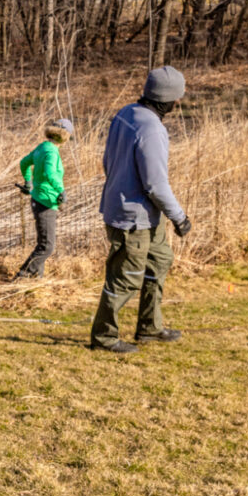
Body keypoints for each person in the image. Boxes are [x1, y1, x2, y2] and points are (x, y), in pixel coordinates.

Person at [89, 67, 191, 353]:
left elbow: (107, 160)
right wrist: (179, 217)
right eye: (177, 98)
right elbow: (156, 185)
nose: (178, 103)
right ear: (168, 99)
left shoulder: (126, 113)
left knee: (160, 259)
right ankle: (104, 337)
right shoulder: (152, 130)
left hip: (145, 214)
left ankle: (149, 327)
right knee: (125, 278)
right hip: (131, 217)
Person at [13, 118, 70, 280]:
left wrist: (28, 181)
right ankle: (22, 276)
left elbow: (24, 162)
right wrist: (61, 190)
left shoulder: (42, 147)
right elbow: (49, 173)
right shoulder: (51, 152)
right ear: (65, 136)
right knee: (47, 247)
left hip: (37, 198)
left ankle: (37, 278)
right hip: (46, 202)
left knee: (42, 243)